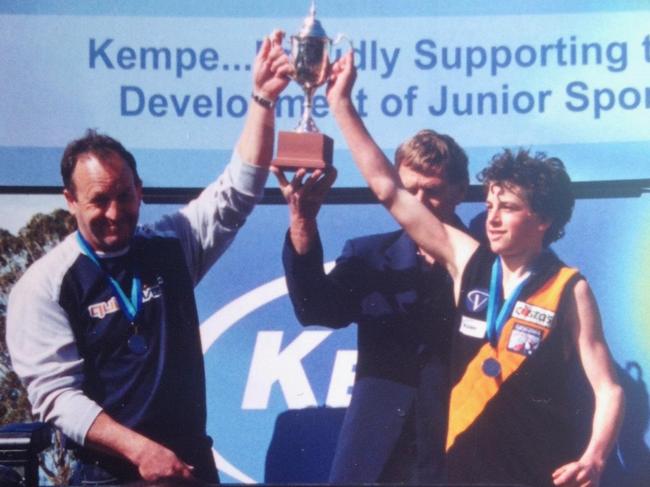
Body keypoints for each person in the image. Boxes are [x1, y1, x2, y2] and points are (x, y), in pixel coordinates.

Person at [324, 51, 625, 487]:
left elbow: (608, 388)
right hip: (461, 472)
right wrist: (341, 104)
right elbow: (389, 189)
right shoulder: (470, 262)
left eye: (508, 207)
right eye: (489, 206)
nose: (493, 218)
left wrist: (595, 457)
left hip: (534, 471)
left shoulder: (567, 288)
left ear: (543, 219)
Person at [6, 31, 291, 485]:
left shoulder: (170, 245)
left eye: (125, 195)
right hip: (110, 473)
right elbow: (58, 398)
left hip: (190, 464)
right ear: (70, 200)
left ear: (140, 190)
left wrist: (262, 99)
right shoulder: (45, 286)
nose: (115, 212)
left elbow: (238, 191)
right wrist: (140, 451)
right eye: (99, 200)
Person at [273, 128, 469, 483]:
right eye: (410, 191)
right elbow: (314, 309)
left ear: (460, 192)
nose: (419, 202)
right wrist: (303, 221)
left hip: (462, 444)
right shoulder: (370, 256)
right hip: (375, 452)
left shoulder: (488, 263)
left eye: (433, 191)